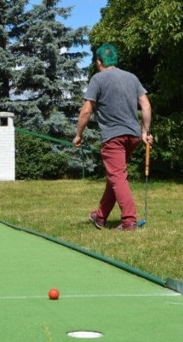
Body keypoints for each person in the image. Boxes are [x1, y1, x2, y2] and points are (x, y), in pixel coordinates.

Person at [73, 43, 153, 231]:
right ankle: (100, 217)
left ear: (98, 62)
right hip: (132, 136)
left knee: (117, 176)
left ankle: (129, 221)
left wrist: (78, 135)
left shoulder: (98, 79)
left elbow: (86, 111)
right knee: (115, 175)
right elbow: (146, 105)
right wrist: (145, 132)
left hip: (113, 137)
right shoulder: (132, 78)